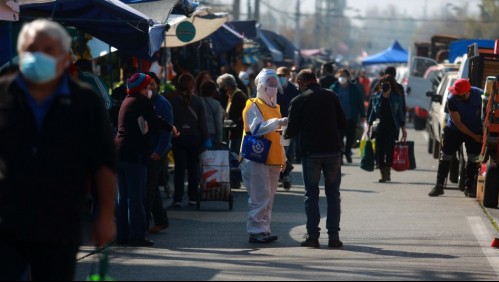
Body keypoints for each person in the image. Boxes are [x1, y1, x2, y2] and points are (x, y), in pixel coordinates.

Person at [0, 19, 116, 280]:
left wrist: (106, 215)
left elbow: (103, 163)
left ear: (65, 58)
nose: (37, 55)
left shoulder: (85, 102)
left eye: (48, 49)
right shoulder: (3, 94)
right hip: (6, 222)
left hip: (59, 225)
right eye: (31, 49)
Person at [285, 69, 346, 249]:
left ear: (301, 83)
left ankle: (313, 237)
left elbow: (292, 131)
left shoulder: (298, 101)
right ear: (315, 80)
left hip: (311, 153)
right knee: (333, 195)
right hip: (333, 151)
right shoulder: (332, 96)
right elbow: (343, 122)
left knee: (311, 195)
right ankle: (334, 237)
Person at [115, 73, 178, 247]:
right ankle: (136, 235)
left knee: (124, 198)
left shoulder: (127, 100)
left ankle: (122, 235)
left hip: (120, 154)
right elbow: (154, 121)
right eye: (147, 87)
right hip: (134, 155)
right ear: (140, 88)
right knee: (136, 197)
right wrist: (170, 128)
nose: (149, 90)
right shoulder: (141, 102)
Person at [241, 68, 287, 243]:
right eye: (270, 84)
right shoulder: (253, 104)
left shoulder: (276, 107)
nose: (274, 87)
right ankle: (256, 230)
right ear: (261, 85)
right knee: (260, 196)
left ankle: (264, 229)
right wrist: (277, 122)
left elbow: (278, 136)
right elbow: (256, 129)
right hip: (257, 157)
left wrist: (283, 156)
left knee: (269, 197)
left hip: (273, 157)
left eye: (276, 84)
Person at [428, 79, 483, 197]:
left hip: (475, 129)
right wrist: (474, 136)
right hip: (455, 130)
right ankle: (439, 186)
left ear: (467, 92)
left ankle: (469, 187)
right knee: (445, 156)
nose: (456, 95)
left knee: (474, 158)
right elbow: (458, 123)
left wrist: (479, 134)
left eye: (459, 94)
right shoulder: (452, 99)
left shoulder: (480, 95)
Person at [169, 73, 210, 208]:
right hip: (195, 138)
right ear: (193, 85)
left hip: (178, 138)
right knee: (193, 169)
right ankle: (193, 197)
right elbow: (203, 123)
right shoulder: (198, 101)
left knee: (179, 170)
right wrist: (206, 139)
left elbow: (170, 121)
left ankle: (178, 199)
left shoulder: (173, 101)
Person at [145, 72, 173, 234]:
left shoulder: (161, 103)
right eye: (147, 86)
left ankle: (145, 222)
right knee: (151, 186)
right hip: (148, 150)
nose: (150, 88)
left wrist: (158, 150)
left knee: (150, 186)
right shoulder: (145, 102)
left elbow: (166, 129)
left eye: (153, 85)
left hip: (157, 151)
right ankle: (160, 220)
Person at [367, 75, 408, 183]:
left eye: (387, 84)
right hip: (379, 127)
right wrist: (369, 126)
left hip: (393, 127)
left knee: (390, 149)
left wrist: (403, 128)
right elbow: (372, 112)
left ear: (391, 85)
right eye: (383, 84)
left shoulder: (396, 97)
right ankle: (382, 173)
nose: (385, 86)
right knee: (379, 150)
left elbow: (400, 114)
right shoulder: (376, 96)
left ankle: (387, 171)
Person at [216, 73, 248, 188]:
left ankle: (235, 181)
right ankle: (234, 180)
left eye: (223, 87)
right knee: (234, 156)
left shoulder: (238, 96)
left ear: (228, 86)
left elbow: (239, 117)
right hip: (233, 132)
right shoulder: (233, 95)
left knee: (235, 157)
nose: (224, 91)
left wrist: (229, 123)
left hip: (238, 132)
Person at [330, 68, 366, 164]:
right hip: (338, 118)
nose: (342, 78)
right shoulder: (334, 88)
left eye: (344, 76)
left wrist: (363, 115)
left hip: (351, 117)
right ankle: (340, 155)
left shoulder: (354, 88)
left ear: (348, 77)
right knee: (339, 138)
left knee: (351, 138)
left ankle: (347, 151)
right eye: (340, 76)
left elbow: (360, 102)